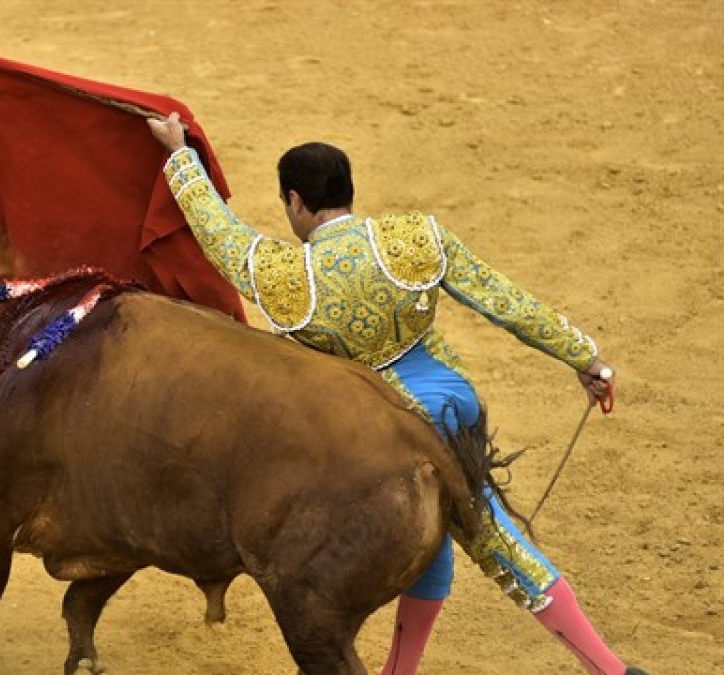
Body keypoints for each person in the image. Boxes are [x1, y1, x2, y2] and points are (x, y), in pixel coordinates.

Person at [148, 113, 645, 675]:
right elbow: (506, 301)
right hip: (453, 402)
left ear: (295, 201)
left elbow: (219, 233)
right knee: (431, 544)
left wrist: (178, 157)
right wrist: (586, 358)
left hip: (386, 431)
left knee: (497, 546)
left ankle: (613, 671)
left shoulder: (288, 273)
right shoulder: (416, 239)